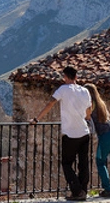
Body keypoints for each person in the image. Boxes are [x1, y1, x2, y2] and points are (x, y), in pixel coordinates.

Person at [30, 66, 91, 201]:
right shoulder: (85, 91)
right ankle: (83, 191)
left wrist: (36, 119)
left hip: (70, 133)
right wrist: (86, 118)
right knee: (83, 164)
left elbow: (50, 103)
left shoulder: (63, 89)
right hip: (84, 132)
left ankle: (76, 190)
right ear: (76, 77)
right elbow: (89, 111)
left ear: (65, 77)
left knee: (67, 163)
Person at [86, 84, 110, 198]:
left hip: (105, 136)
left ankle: (107, 189)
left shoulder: (90, 105)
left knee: (100, 161)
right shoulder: (101, 103)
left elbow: (87, 118)